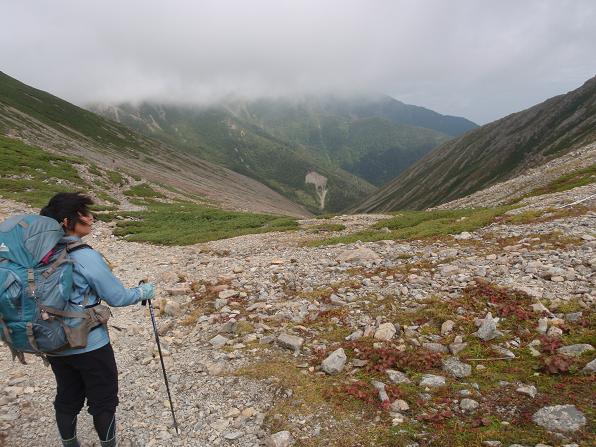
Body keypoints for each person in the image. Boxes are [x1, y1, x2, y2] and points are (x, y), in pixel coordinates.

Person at [40, 192, 155, 447]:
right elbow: (115, 296)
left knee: (67, 397)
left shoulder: (41, 254)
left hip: (53, 341)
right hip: (90, 343)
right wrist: (143, 292)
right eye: (84, 213)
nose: (91, 218)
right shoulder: (84, 255)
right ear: (68, 221)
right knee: (102, 400)